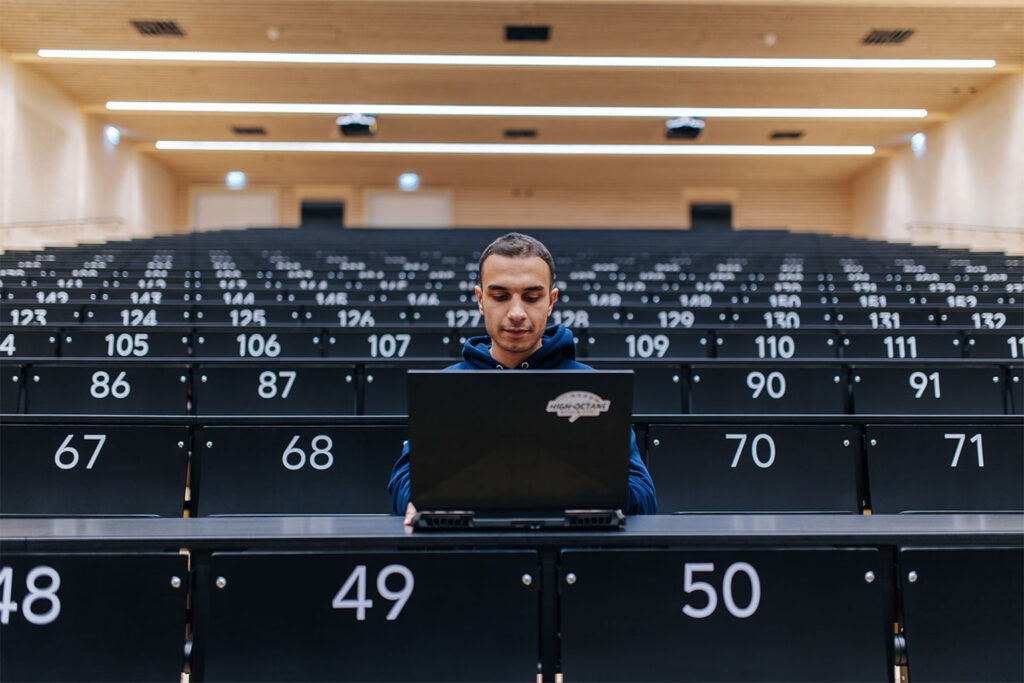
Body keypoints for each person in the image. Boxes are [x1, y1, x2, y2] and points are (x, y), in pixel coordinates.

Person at [388, 232, 658, 524]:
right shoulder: (444, 387)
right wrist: (426, 501)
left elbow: (644, 495)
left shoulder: (593, 386)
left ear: (551, 301)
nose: (516, 312)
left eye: (531, 297)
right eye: (500, 296)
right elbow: (403, 484)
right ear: (480, 300)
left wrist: (605, 497)